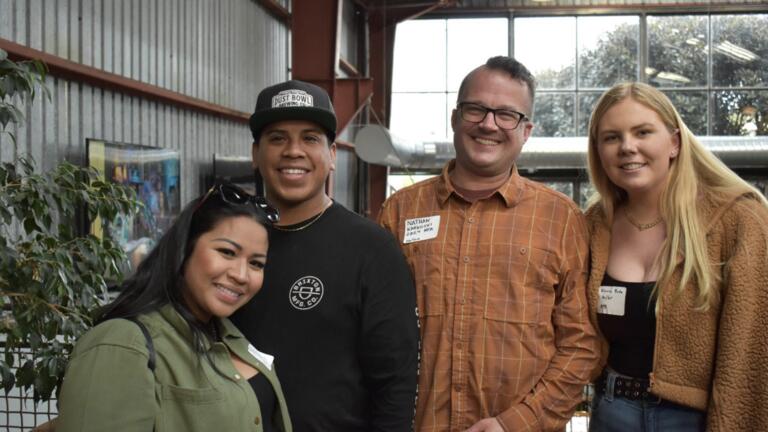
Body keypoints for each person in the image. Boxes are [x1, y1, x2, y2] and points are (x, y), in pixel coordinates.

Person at [379, 56, 600, 432]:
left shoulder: (560, 219)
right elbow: (372, 332)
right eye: (476, 109)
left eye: (506, 114)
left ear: (526, 130)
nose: (488, 123)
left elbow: (582, 344)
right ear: (455, 117)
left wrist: (515, 423)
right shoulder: (399, 211)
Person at [231, 80, 419, 432]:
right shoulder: (228, 244)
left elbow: (396, 385)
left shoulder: (372, 249)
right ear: (256, 154)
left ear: (332, 155)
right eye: (277, 138)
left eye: (310, 138)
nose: (293, 151)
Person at [585, 82, 768, 431]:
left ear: (674, 142)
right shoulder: (593, 226)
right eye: (611, 137)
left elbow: (752, 356)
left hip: (694, 420)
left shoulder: (739, 221)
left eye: (642, 132)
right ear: (598, 150)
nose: (627, 147)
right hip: (610, 412)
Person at [55, 182, 292, 432]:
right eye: (227, 252)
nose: (242, 275)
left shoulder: (230, 335)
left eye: (256, 263)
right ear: (185, 248)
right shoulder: (123, 343)